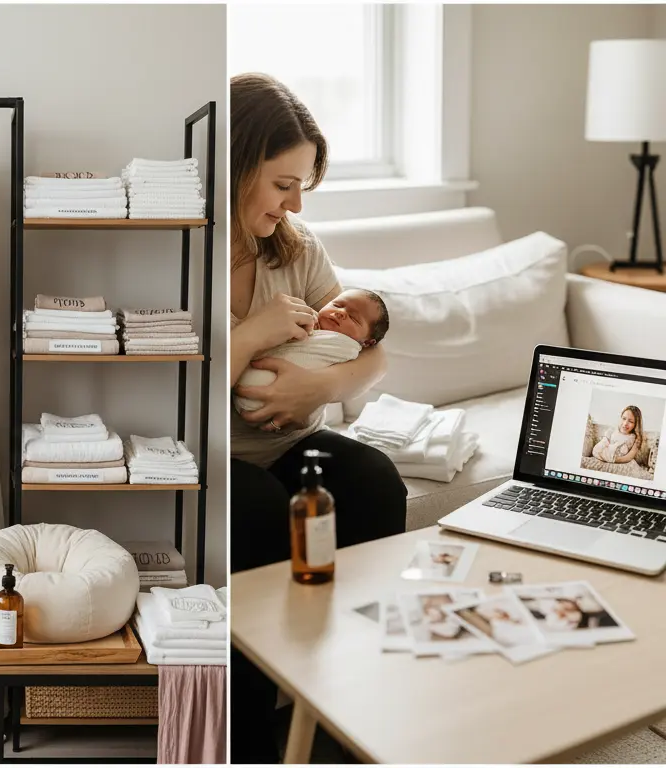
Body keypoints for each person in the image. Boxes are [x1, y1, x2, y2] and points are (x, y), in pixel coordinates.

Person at [228, 72, 408, 764]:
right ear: (238, 166)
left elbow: (373, 353)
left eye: (302, 186)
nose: (296, 203)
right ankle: (248, 741)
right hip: (219, 455)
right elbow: (179, 386)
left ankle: (347, 728)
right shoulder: (185, 245)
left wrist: (318, 389)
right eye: (283, 184)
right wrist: (254, 331)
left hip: (292, 442)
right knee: (256, 509)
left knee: (373, 479)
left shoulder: (295, 245)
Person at [233, 287, 390, 412]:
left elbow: (377, 362)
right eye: (337, 305)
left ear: (367, 342)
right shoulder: (306, 319)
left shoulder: (347, 348)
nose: (341, 313)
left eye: (354, 318)